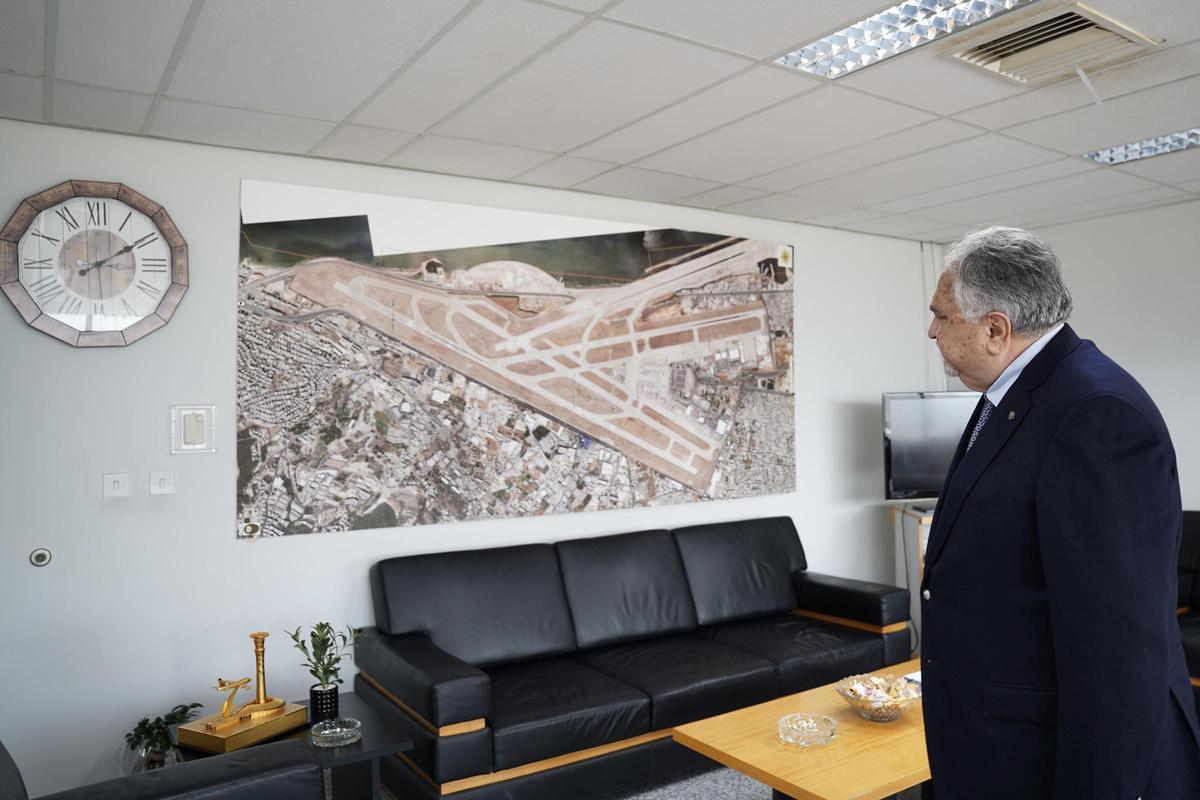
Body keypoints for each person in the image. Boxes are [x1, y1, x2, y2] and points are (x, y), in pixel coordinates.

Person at [920, 226, 1200, 799]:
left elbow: (1118, 652)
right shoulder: (1018, 394)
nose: (932, 331)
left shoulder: (1097, 414)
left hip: (1047, 761)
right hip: (996, 741)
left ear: (995, 329)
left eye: (941, 316)